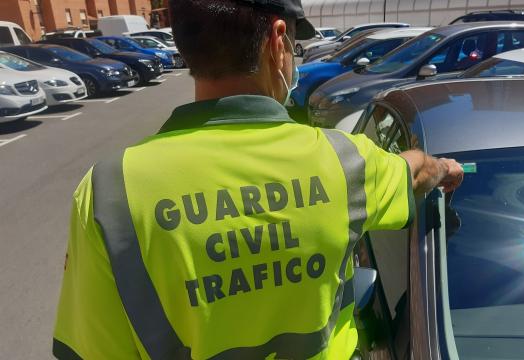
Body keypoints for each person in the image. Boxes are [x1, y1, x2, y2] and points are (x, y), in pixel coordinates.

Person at [52, 0, 464, 358]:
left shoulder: (109, 192)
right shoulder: (344, 162)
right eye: (294, 45)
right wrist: (445, 167)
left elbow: (94, 349)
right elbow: (413, 172)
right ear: (276, 38)